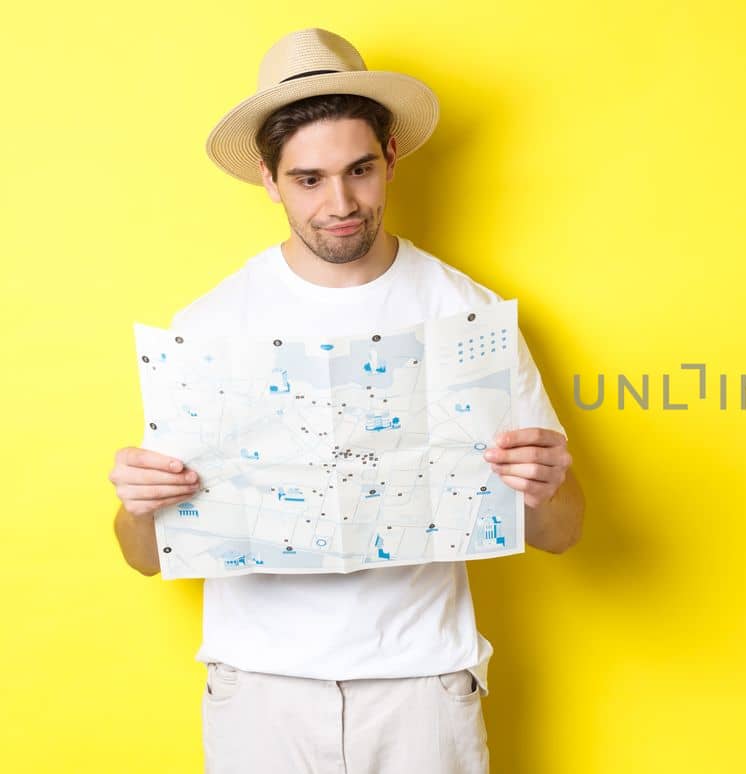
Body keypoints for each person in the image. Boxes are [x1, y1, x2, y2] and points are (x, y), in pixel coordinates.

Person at [106, 28, 584, 773]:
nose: (341, 203)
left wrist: (546, 485)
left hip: (421, 685)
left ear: (391, 155)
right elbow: (143, 558)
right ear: (268, 178)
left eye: (359, 169)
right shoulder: (210, 328)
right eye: (308, 179)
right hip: (260, 692)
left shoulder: (467, 314)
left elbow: (560, 531)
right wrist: (139, 505)